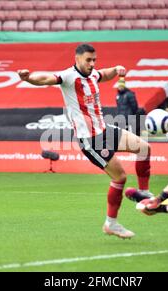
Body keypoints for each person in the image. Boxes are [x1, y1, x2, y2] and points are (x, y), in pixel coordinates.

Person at [18, 43, 152, 239]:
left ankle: (144, 193)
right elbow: (46, 78)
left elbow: (104, 74)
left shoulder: (93, 74)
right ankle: (111, 224)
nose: (92, 64)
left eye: (94, 60)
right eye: (88, 60)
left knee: (144, 148)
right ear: (77, 58)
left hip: (105, 129)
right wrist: (28, 78)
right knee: (120, 177)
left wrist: (115, 70)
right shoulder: (68, 77)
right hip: (90, 139)